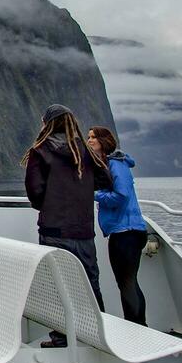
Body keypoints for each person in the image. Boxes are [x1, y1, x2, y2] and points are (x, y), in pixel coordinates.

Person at [23, 103, 113, 347]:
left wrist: (49, 204)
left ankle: (63, 336)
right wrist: (80, 190)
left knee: (57, 283)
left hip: (53, 229)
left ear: (47, 124)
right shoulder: (83, 151)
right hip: (82, 229)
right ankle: (97, 333)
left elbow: (35, 191)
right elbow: (105, 178)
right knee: (90, 280)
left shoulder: (41, 150)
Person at [88, 126, 148, 326]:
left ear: (103, 141)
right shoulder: (110, 164)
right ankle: (138, 326)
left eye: (93, 137)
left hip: (126, 232)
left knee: (127, 283)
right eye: (88, 137)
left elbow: (120, 196)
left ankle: (138, 328)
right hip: (125, 231)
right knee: (127, 282)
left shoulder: (116, 164)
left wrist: (93, 194)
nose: (89, 141)